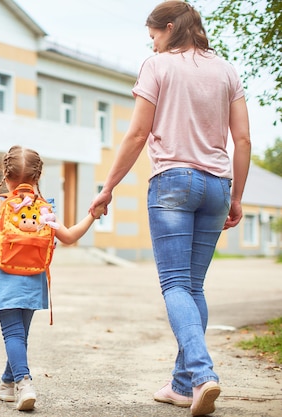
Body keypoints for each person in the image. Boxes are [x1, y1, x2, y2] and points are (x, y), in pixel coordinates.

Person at [89, 2, 251, 416]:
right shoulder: (227, 70)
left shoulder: (157, 66)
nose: (153, 44)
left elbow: (138, 131)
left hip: (173, 183)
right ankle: (181, 385)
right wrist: (236, 197)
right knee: (193, 288)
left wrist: (107, 188)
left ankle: (201, 374)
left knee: (176, 286)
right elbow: (243, 140)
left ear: (168, 28)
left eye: (154, 36)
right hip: (217, 185)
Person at [0, 145, 105, 411]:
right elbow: (68, 237)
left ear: (5, 177)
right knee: (20, 335)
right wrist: (92, 215)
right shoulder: (44, 209)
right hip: (34, 281)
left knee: (12, 334)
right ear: (37, 177)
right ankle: (6, 383)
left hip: (5, 281)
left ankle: (24, 382)